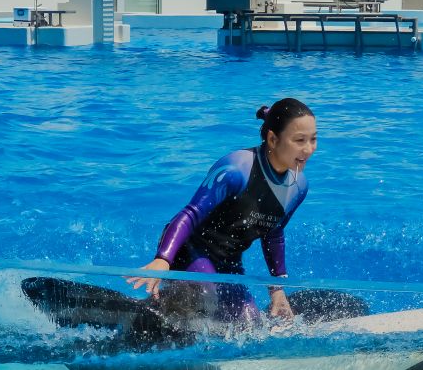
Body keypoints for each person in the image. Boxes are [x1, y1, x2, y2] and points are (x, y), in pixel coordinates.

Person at [126, 98, 316, 322]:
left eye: (313, 140)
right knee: (205, 298)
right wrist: (163, 259)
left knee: (249, 324)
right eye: (299, 140)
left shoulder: (298, 187)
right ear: (273, 139)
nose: (308, 149)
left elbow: (273, 233)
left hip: (229, 262)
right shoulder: (236, 169)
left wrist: (277, 289)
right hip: (189, 250)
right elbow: (190, 214)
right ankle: (150, 312)